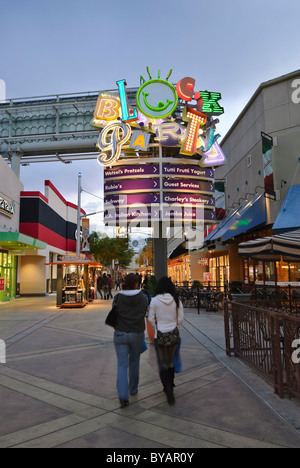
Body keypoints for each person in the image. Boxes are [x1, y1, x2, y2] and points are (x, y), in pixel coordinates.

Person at [113, 273, 149, 408]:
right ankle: (133, 389)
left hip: (120, 333)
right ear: (136, 283)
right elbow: (144, 312)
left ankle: (123, 395)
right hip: (136, 334)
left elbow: (114, 313)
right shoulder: (143, 298)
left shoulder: (118, 297)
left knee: (122, 365)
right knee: (134, 362)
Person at [148, 276, 184, 405]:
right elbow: (181, 318)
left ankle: (167, 387)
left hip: (161, 336)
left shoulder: (154, 301)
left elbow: (151, 318)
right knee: (171, 359)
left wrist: (156, 328)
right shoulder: (176, 300)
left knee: (163, 362)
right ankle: (171, 382)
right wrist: (176, 327)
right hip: (173, 335)